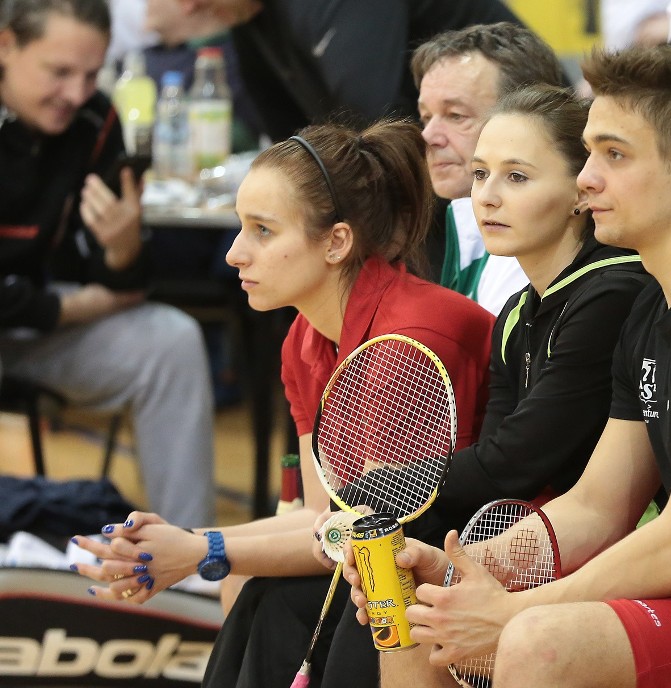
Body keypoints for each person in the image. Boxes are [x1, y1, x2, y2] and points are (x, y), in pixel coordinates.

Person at [346, 45, 671, 688]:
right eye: (588, 155)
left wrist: (515, 610)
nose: (587, 179)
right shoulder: (652, 307)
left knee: (540, 641)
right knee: (429, 613)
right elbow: (597, 506)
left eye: (613, 155)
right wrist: (463, 572)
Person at [71, 118, 495, 686]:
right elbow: (325, 522)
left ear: (336, 242)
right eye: (240, 227)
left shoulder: (405, 346)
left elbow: (359, 535)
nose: (234, 254)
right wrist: (183, 546)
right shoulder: (304, 339)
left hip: (461, 560)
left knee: (261, 595)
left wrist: (201, 547)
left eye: (263, 231)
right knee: (242, 582)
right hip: (370, 551)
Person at [0, 0, 215, 527]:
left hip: (34, 326)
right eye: (59, 72)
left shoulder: (94, 119)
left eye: (91, 73)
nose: (76, 93)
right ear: (5, 46)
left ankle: (184, 564)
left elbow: (126, 284)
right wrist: (70, 305)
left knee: (173, 341)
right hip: (37, 312)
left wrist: (121, 248)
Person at [147, 0, 523, 143]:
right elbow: (291, 139)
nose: (189, 6)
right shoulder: (248, 16)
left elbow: (377, 122)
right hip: (439, 146)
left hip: (517, 127)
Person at [413, 22, 565, 315]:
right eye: (426, 116)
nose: (428, 137)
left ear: (529, 114)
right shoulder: (464, 225)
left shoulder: (535, 252)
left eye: (455, 116)